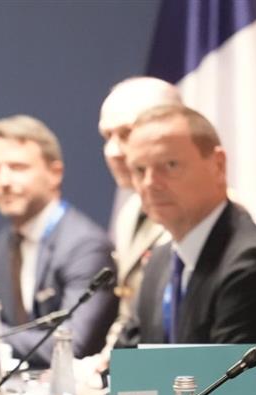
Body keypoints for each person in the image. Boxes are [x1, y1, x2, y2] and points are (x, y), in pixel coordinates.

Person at [114, 104, 256, 347]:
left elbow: (231, 372)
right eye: (139, 170)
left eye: (170, 165)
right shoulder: (160, 261)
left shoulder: (253, 265)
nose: (150, 183)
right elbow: (125, 358)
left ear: (218, 165)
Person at [0, 115, 118, 366]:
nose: (4, 181)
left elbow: (73, 343)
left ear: (55, 173)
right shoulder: (7, 241)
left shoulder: (85, 245)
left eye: (17, 167)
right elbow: (11, 326)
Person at [98, 77, 178, 348]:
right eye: (107, 136)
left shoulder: (205, 214)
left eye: (126, 133)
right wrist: (106, 362)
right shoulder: (130, 211)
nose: (113, 151)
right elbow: (128, 314)